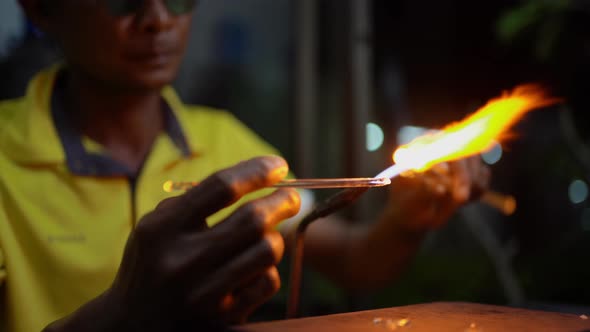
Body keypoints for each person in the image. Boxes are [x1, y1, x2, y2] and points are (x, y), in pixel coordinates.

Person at [0, 0, 489, 331]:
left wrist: (404, 224)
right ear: (41, 7)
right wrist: (122, 316)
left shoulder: (223, 141)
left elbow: (352, 260)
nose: (157, 19)